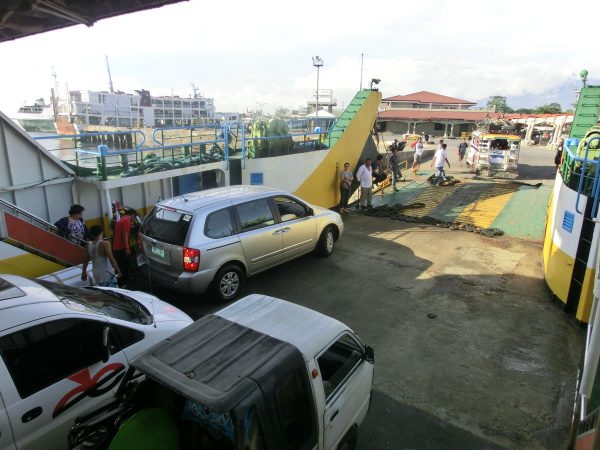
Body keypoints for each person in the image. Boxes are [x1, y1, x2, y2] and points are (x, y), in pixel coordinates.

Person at [112, 208, 136, 287]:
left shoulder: (122, 219)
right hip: (121, 247)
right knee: (123, 265)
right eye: (134, 217)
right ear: (132, 215)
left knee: (121, 265)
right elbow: (125, 236)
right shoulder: (126, 221)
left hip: (116, 246)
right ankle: (122, 283)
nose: (134, 219)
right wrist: (127, 248)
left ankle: (123, 280)